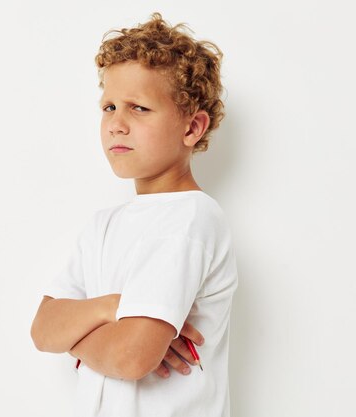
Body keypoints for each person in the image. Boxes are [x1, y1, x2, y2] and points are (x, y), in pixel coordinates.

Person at [31, 12, 239, 417]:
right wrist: (114, 308)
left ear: (192, 127)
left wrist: (78, 333)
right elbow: (42, 329)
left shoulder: (192, 220)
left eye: (139, 108)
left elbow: (130, 357)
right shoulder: (103, 225)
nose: (116, 125)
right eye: (109, 106)